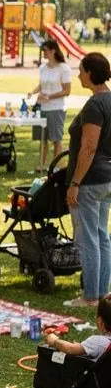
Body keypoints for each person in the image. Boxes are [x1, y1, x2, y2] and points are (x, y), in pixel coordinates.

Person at [65, 52, 111, 308]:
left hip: (91, 181)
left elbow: (89, 147)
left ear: (91, 73)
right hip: (107, 178)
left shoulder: (95, 105)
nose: (79, 75)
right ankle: (102, 293)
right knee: (102, 236)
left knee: (89, 238)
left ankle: (91, 296)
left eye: (81, 70)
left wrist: (75, 183)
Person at [27, 39, 71, 170]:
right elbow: (42, 85)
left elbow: (67, 91)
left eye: (45, 50)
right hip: (41, 107)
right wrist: (33, 92)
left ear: (53, 50)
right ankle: (41, 165)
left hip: (56, 108)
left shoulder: (64, 69)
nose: (43, 53)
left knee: (55, 138)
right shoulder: (43, 68)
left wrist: (49, 96)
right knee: (43, 138)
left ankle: (55, 166)